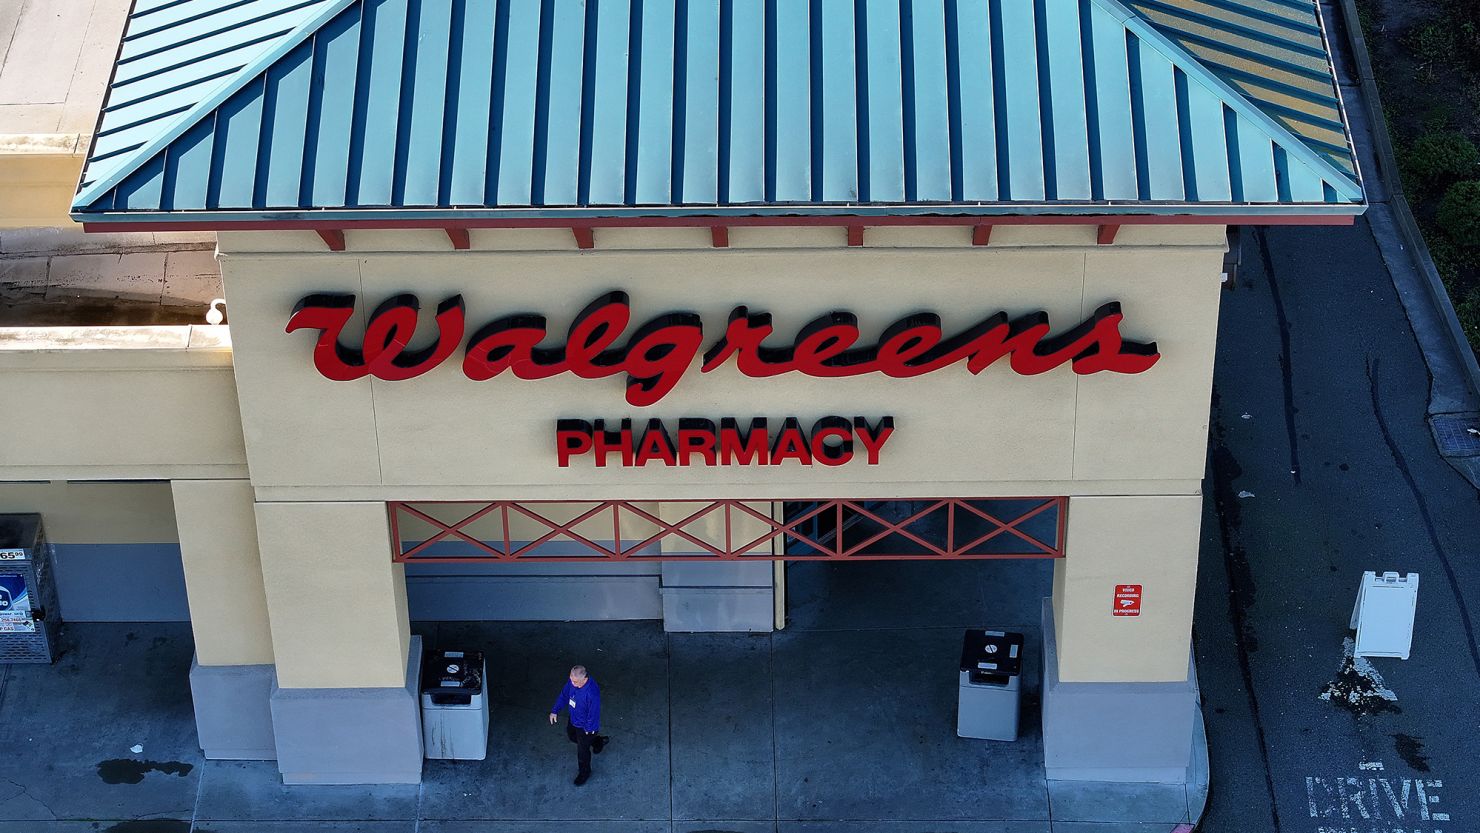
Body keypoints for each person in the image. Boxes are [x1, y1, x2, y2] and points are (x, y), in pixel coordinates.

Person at [548, 664, 608, 785]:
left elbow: (593, 713)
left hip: (585, 727)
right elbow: (564, 695)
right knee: (571, 736)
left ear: (584, 679)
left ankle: (585, 772)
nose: (572, 683)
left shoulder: (591, 693)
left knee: (582, 751)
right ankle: (598, 741)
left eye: (575, 682)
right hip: (574, 719)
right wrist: (555, 710)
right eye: (571, 679)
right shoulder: (572, 682)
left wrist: (589, 729)